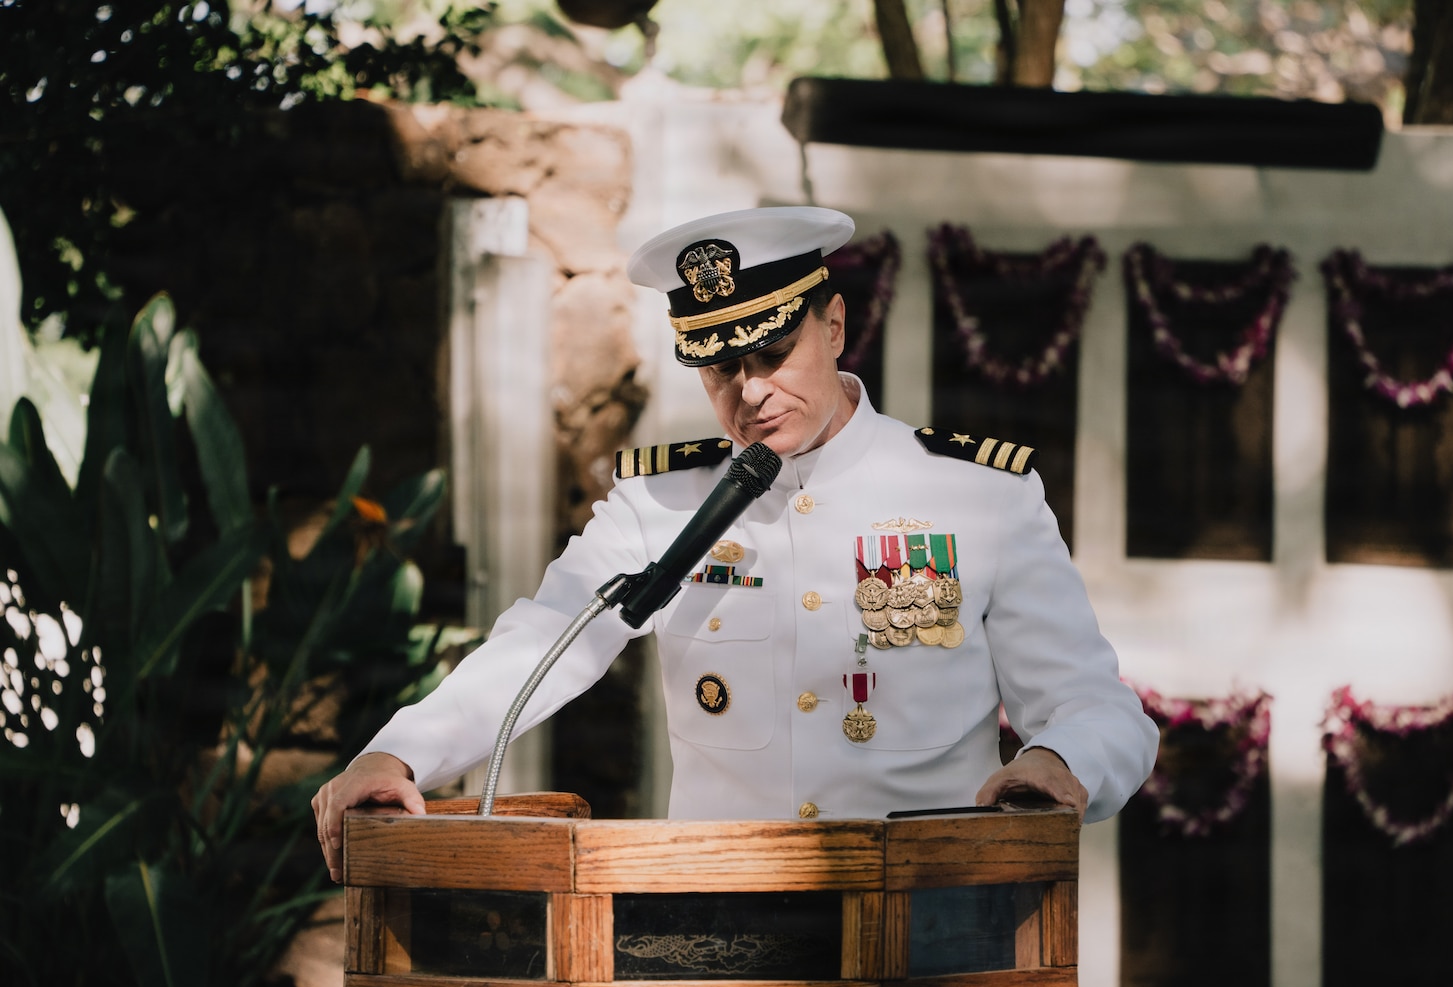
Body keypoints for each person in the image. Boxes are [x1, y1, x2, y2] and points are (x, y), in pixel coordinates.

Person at [312, 206, 1158, 882]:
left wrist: (1054, 759)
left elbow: (1099, 706)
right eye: (719, 368)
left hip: (931, 926)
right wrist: (398, 752)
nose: (750, 392)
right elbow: (547, 637)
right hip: (719, 927)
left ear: (833, 324)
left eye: (772, 352)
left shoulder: (979, 494)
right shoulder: (662, 500)